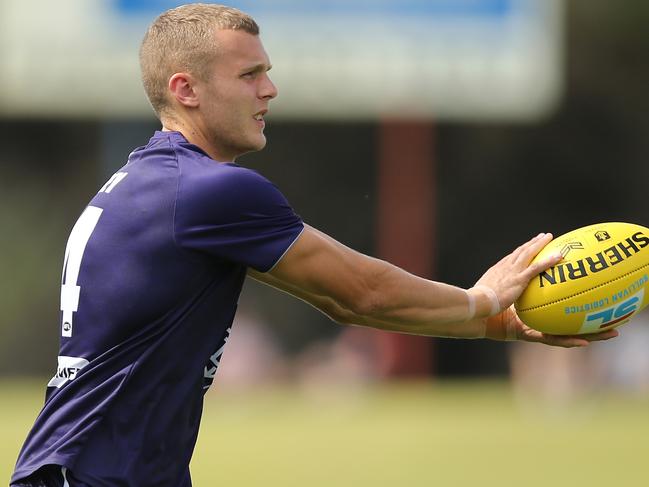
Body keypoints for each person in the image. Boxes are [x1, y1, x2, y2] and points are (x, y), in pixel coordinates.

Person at [10, 4, 618, 486]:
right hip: (96, 474)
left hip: (91, 468)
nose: (270, 89)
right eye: (249, 75)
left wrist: (499, 327)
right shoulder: (207, 192)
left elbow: (339, 302)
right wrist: (482, 302)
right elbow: (362, 291)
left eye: (267, 71)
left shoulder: (151, 181)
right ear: (186, 89)